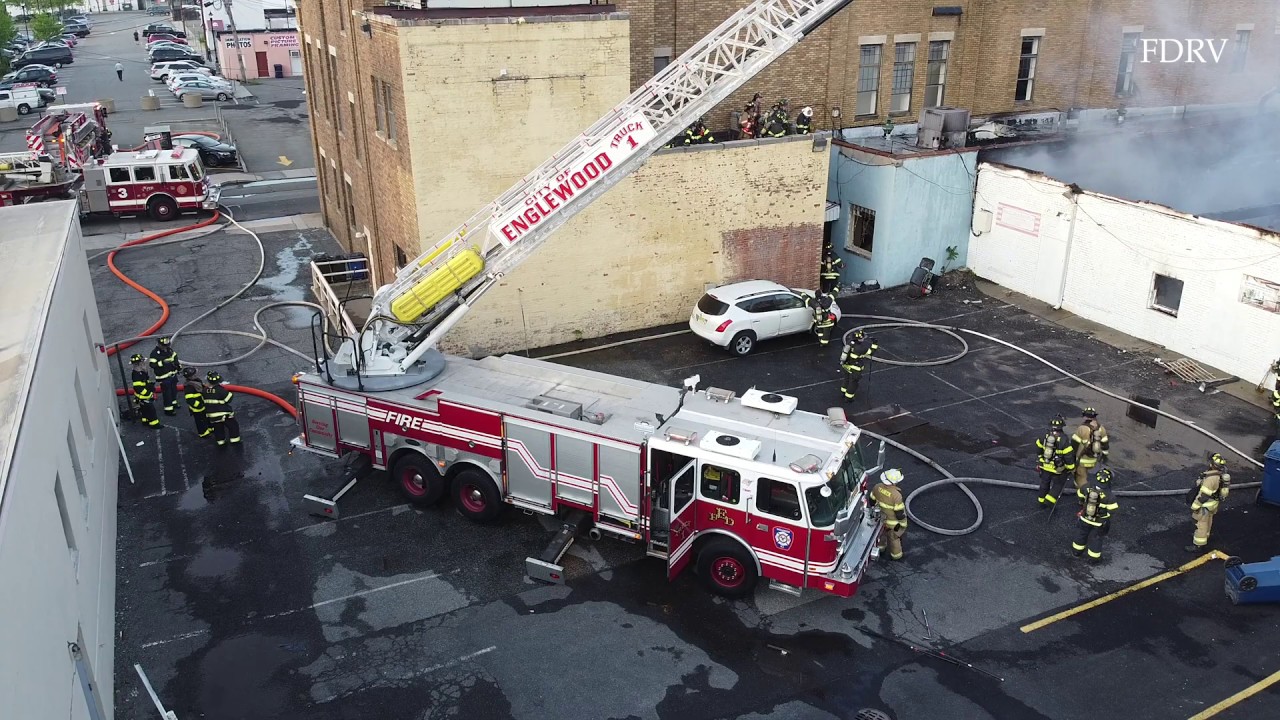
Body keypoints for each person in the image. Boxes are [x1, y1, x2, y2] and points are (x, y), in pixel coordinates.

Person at [1187, 453, 1230, 552]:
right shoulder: (1220, 475)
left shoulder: (1211, 479)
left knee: (1201, 523)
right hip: (1213, 504)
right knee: (1208, 520)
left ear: (1212, 464)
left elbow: (1204, 496)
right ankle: (1205, 535)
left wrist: (1195, 506)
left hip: (1205, 505)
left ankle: (1198, 545)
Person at [1073, 468, 1119, 562]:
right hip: (1098, 523)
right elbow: (1112, 510)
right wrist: (1106, 519)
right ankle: (1093, 558)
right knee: (1096, 539)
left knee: (1081, 534)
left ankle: (1077, 552)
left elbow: (1080, 495)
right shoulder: (1109, 496)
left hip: (1085, 518)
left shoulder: (1087, 487)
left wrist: (1083, 503)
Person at [1035, 415, 1078, 508]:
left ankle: (1041, 501)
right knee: (1058, 485)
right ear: (1061, 427)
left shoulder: (1043, 436)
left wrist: (1040, 460)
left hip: (1045, 465)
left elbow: (1038, 449)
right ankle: (1049, 502)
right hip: (1057, 469)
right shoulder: (1064, 439)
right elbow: (1068, 456)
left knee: (1044, 483)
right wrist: (1071, 468)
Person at [1071, 407, 1110, 496]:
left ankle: (1084, 496)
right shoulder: (1101, 429)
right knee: (1087, 474)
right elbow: (1105, 444)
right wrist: (1104, 456)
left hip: (1082, 460)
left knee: (1081, 478)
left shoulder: (1082, 429)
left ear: (1085, 416)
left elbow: (1074, 444)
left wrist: (1072, 458)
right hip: (1094, 459)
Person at [872, 469, 907, 561]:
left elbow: (871, 500)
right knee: (894, 538)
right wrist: (903, 524)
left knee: (881, 534)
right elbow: (899, 513)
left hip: (879, 519)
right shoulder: (896, 495)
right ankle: (896, 556)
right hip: (893, 523)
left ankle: (881, 548)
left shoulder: (877, 487)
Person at [203, 371, 242, 447]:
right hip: (224, 414)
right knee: (233, 426)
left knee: (218, 429)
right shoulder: (221, 390)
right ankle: (235, 440)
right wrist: (228, 390)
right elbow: (229, 399)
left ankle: (221, 442)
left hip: (212, 415)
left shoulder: (204, 391)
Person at [839, 329, 877, 404]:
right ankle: (848, 398)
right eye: (862, 338)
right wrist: (875, 344)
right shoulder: (861, 348)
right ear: (859, 339)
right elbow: (871, 352)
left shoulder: (849, 342)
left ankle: (843, 392)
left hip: (846, 365)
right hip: (855, 368)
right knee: (853, 383)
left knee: (846, 379)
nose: (863, 339)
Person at [149, 335, 181, 416]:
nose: (165, 347)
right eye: (164, 346)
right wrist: (162, 363)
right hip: (163, 377)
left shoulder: (169, 350)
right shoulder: (154, 353)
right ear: (159, 344)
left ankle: (174, 403)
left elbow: (174, 357)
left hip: (172, 374)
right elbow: (152, 364)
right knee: (167, 393)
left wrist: (178, 366)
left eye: (167, 345)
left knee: (174, 390)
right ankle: (168, 409)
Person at [130, 354, 160, 428]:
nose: (144, 363)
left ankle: (145, 421)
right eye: (142, 361)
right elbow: (138, 388)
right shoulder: (137, 375)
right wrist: (149, 393)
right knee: (151, 411)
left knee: (144, 410)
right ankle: (155, 424)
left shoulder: (141, 371)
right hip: (144, 397)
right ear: (139, 363)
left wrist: (150, 385)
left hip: (143, 396)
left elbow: (145, 382)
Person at [181, 367, 213, 438]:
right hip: (198, 409)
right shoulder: (189, 387)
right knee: (200, 421)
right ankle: (203, 433)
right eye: (194, 374)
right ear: (191, 376)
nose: (196, 375)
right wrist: (199, 405)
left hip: (203, 405)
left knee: (206, 418)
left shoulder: (196, 381)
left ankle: (210, 428)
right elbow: (189, 400)